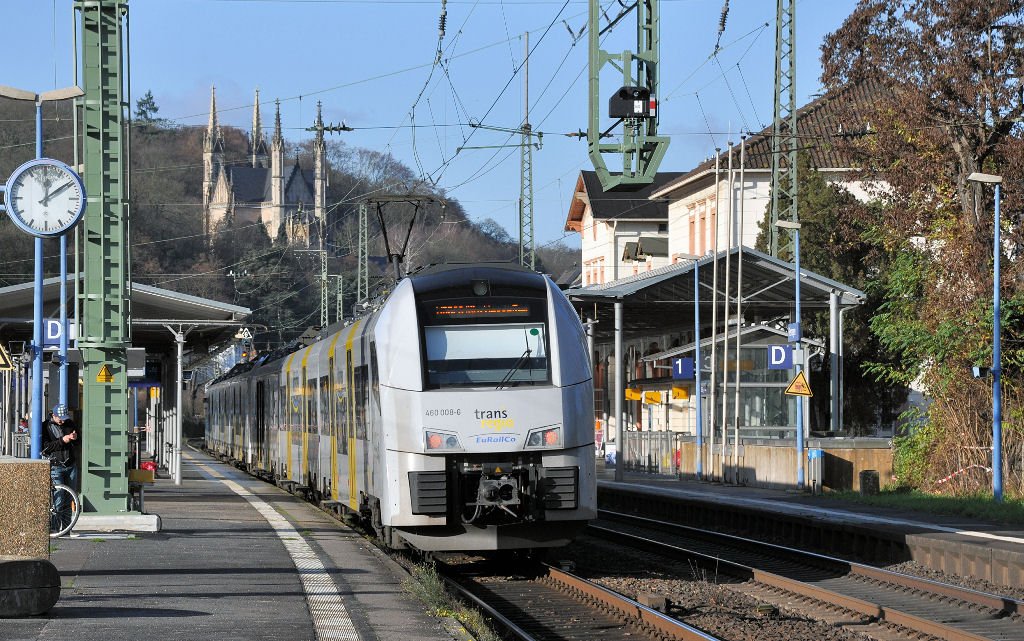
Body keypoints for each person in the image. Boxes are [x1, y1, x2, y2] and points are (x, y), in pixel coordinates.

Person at [41, 404, 79, 494]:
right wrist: (62, 440)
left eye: (64, 418)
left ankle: (70, 508)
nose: (62, 421)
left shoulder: (70, 423)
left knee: (71, 494)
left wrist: (76, 438)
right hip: (55, 466)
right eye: (60, 418)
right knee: (58, 496)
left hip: (71, 465)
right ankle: (58, 509)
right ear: (53, 415)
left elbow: (78, 443)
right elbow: (46, 447)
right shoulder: (45, 426)